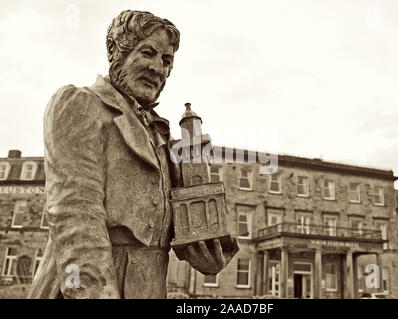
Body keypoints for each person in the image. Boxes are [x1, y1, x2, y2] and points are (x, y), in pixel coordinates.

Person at [27, 10, 239, 299]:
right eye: (148, 53)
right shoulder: (80, 104)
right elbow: (76, 219)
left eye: (166, 61)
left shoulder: (162, 135)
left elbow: (179, 222)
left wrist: (206, 249)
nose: (158, 69)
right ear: (115, 50)